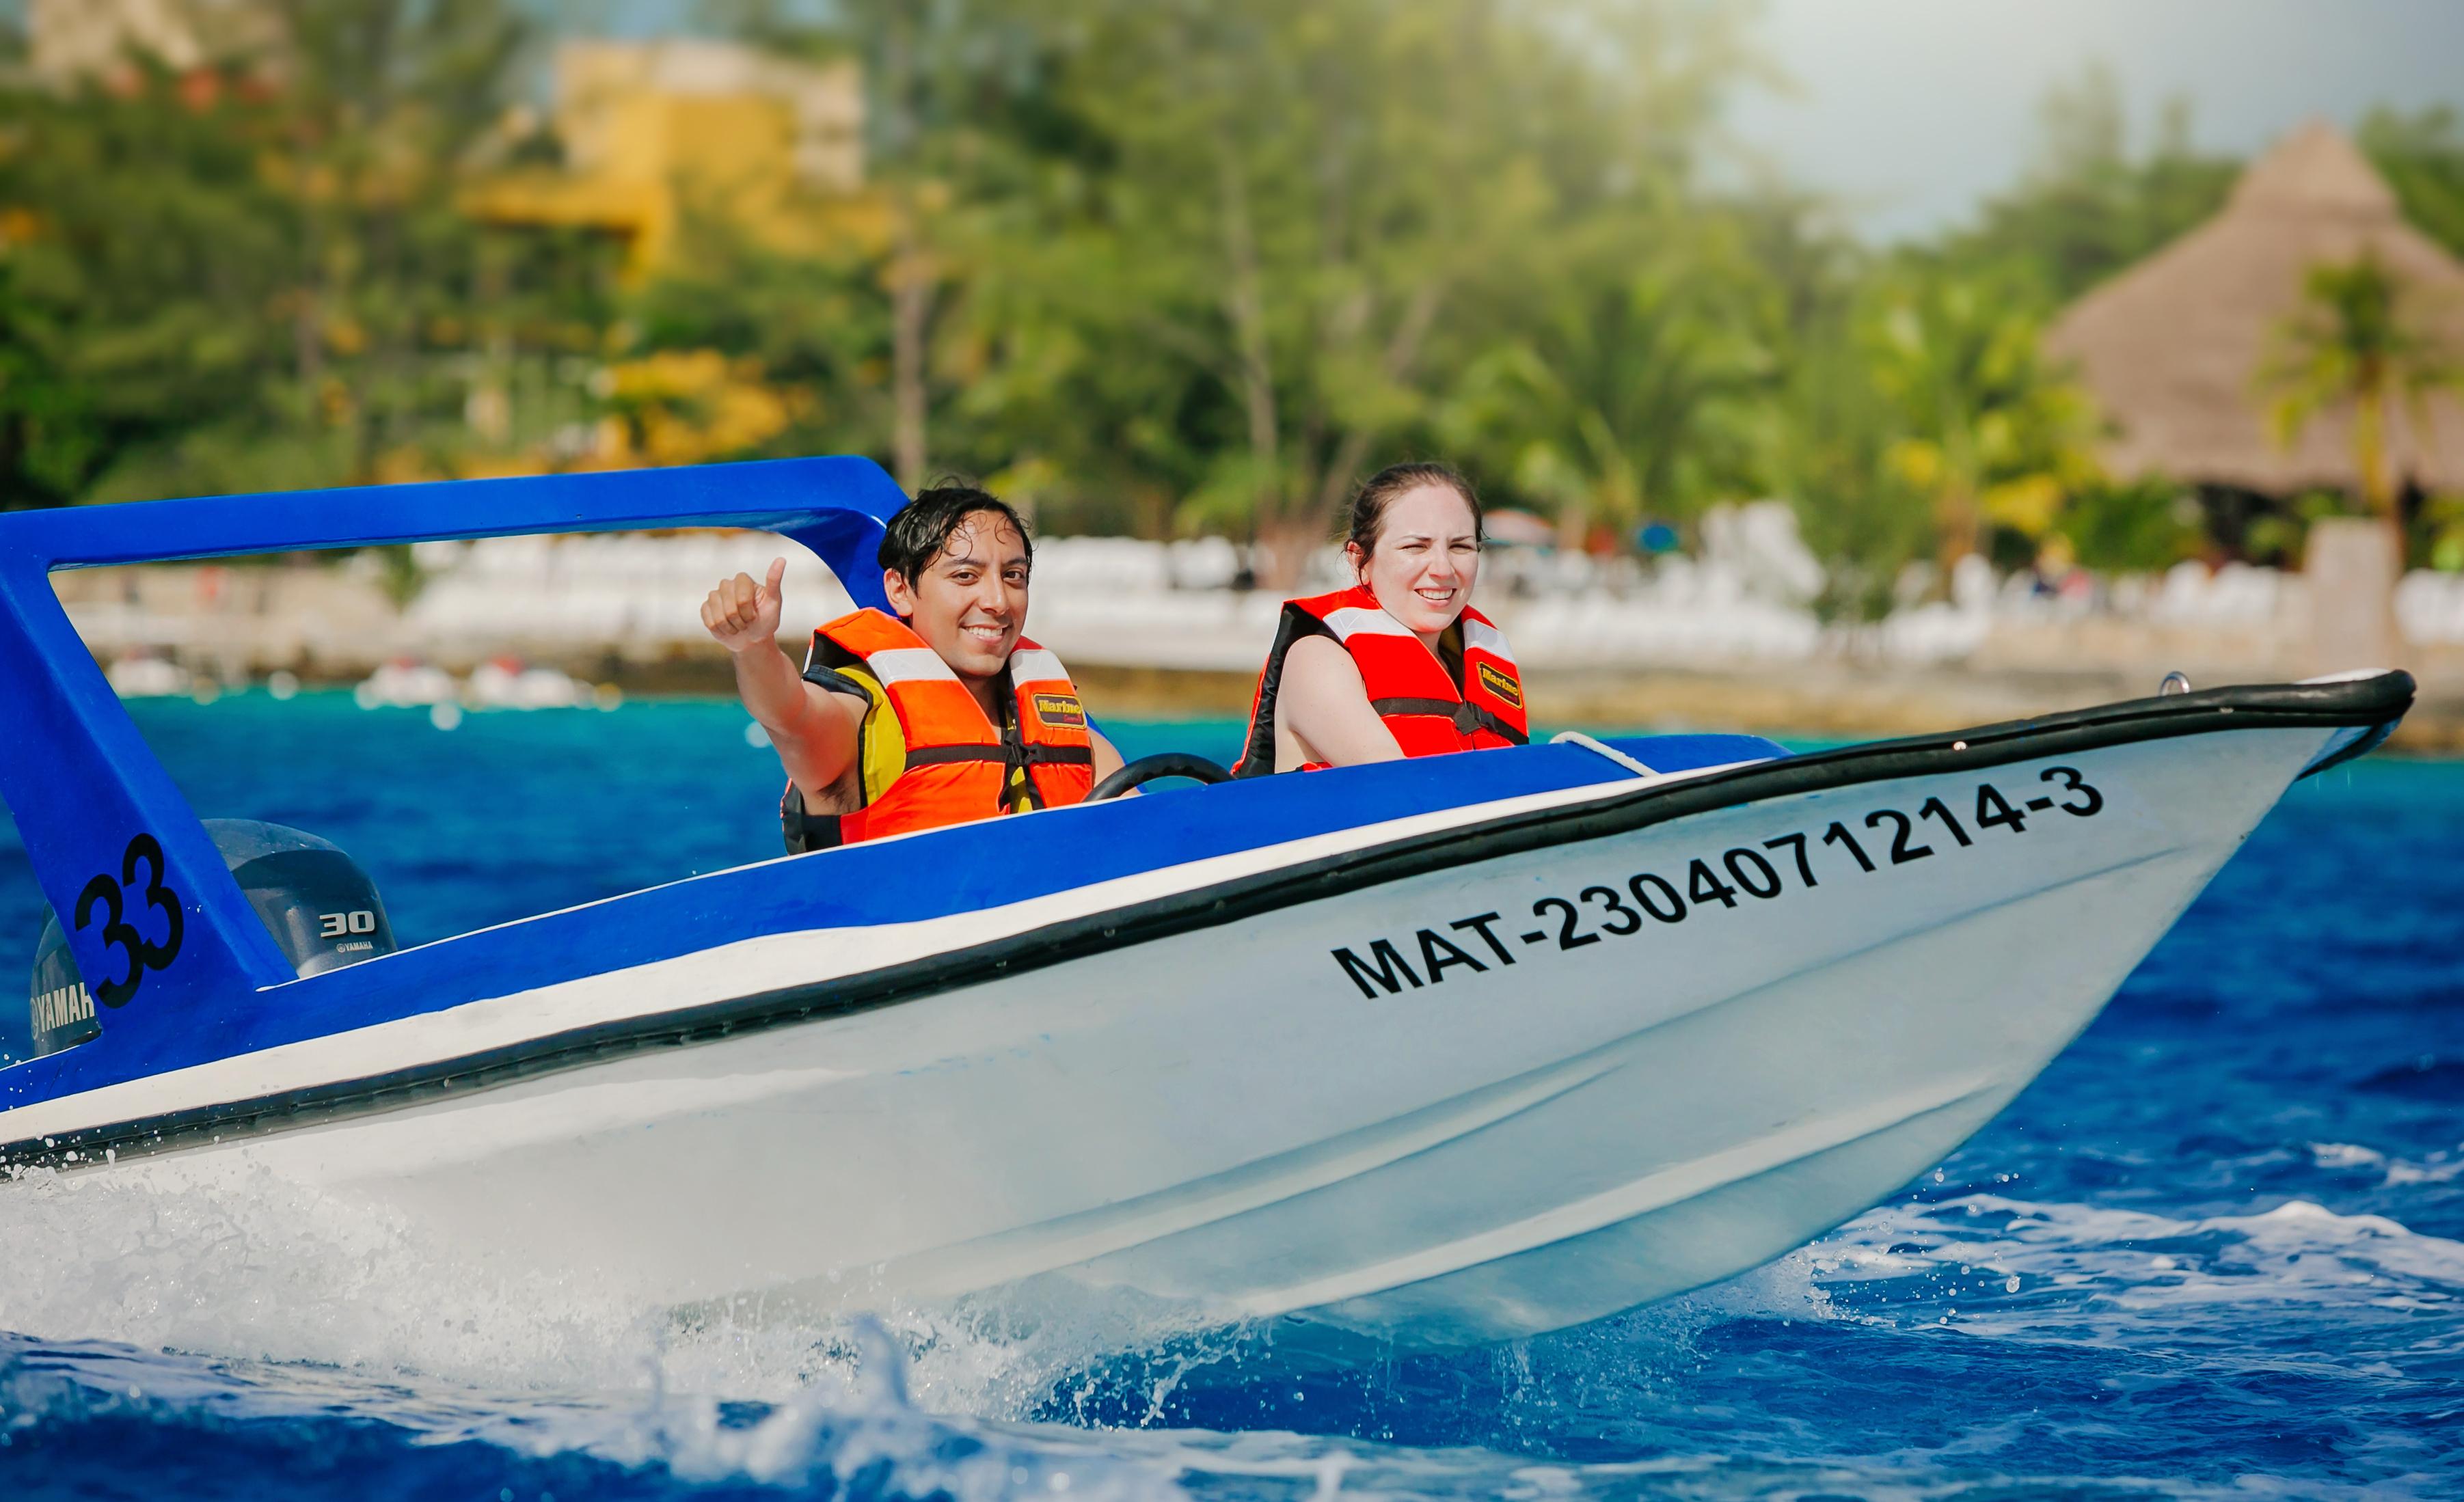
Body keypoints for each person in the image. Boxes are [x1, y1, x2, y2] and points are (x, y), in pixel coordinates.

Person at [703, 484, 1125, 848]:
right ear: (900, 589)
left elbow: (1142, 828)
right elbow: (790, 716)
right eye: (965, 576)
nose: (997, 601)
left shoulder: (1066, 730)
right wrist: (754, 647)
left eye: (1014, 576)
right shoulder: (860, 720)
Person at [1232, 462, 1527, 776]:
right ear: (1360, 560)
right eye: (1415, 546)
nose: (1443, 568)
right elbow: (1401, 791)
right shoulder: (1317, 660)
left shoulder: (1474, 667)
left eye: (1460, 546)